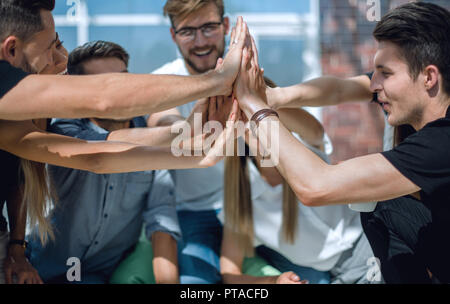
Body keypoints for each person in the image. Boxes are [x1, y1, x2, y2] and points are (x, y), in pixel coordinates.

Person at [235, 2, 450, 283]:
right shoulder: (415, 101)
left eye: (385, 73)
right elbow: (338, 89)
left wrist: (254, 106)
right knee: (380, 205)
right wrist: (273, 97)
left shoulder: (441, 142)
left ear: (429, 77)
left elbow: (315, 186)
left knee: (372, 197)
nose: (373, 85)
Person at [24, 41, 181, 284]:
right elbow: (99, 152)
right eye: (105, 85)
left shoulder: (149, 134)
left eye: (124, 80)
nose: (122, 92)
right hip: (48, 268)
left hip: (109, 269)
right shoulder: (64, 132)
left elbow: (160, 218)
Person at [220, 79, 376, 284]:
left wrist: (256, 100)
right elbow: (230, 274)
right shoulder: (242, 198)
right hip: (336, 276)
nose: (257, 124)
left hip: (371, 239)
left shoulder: (307, 148)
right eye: (246, 118)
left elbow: (315, 130)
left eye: (261, 115)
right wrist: (273, 282)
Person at [147, 0, 232, 284]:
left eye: (209, 27)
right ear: (173, 35)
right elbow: (163, 126)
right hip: (193, 213)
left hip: (253, 208)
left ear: (227, 26)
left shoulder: (247, 74)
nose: (200, 41)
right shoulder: (162, 81)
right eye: (187, 32)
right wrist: (199, 112)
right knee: (195, 285)